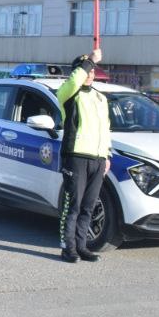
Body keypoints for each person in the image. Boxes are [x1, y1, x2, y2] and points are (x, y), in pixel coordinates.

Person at [55, 48, 110, 264]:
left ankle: (81, 246)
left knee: (88, 206)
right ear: (77, 71)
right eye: (87, 70)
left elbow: (105, 129)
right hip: (76, 156)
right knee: (73, 205)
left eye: (93, 70)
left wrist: (106, 156)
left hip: (96, 158)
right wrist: (91, 60)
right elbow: (74, 81)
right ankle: (68, 248)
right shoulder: (68, 93)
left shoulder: (100, 98)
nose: (90, 73)